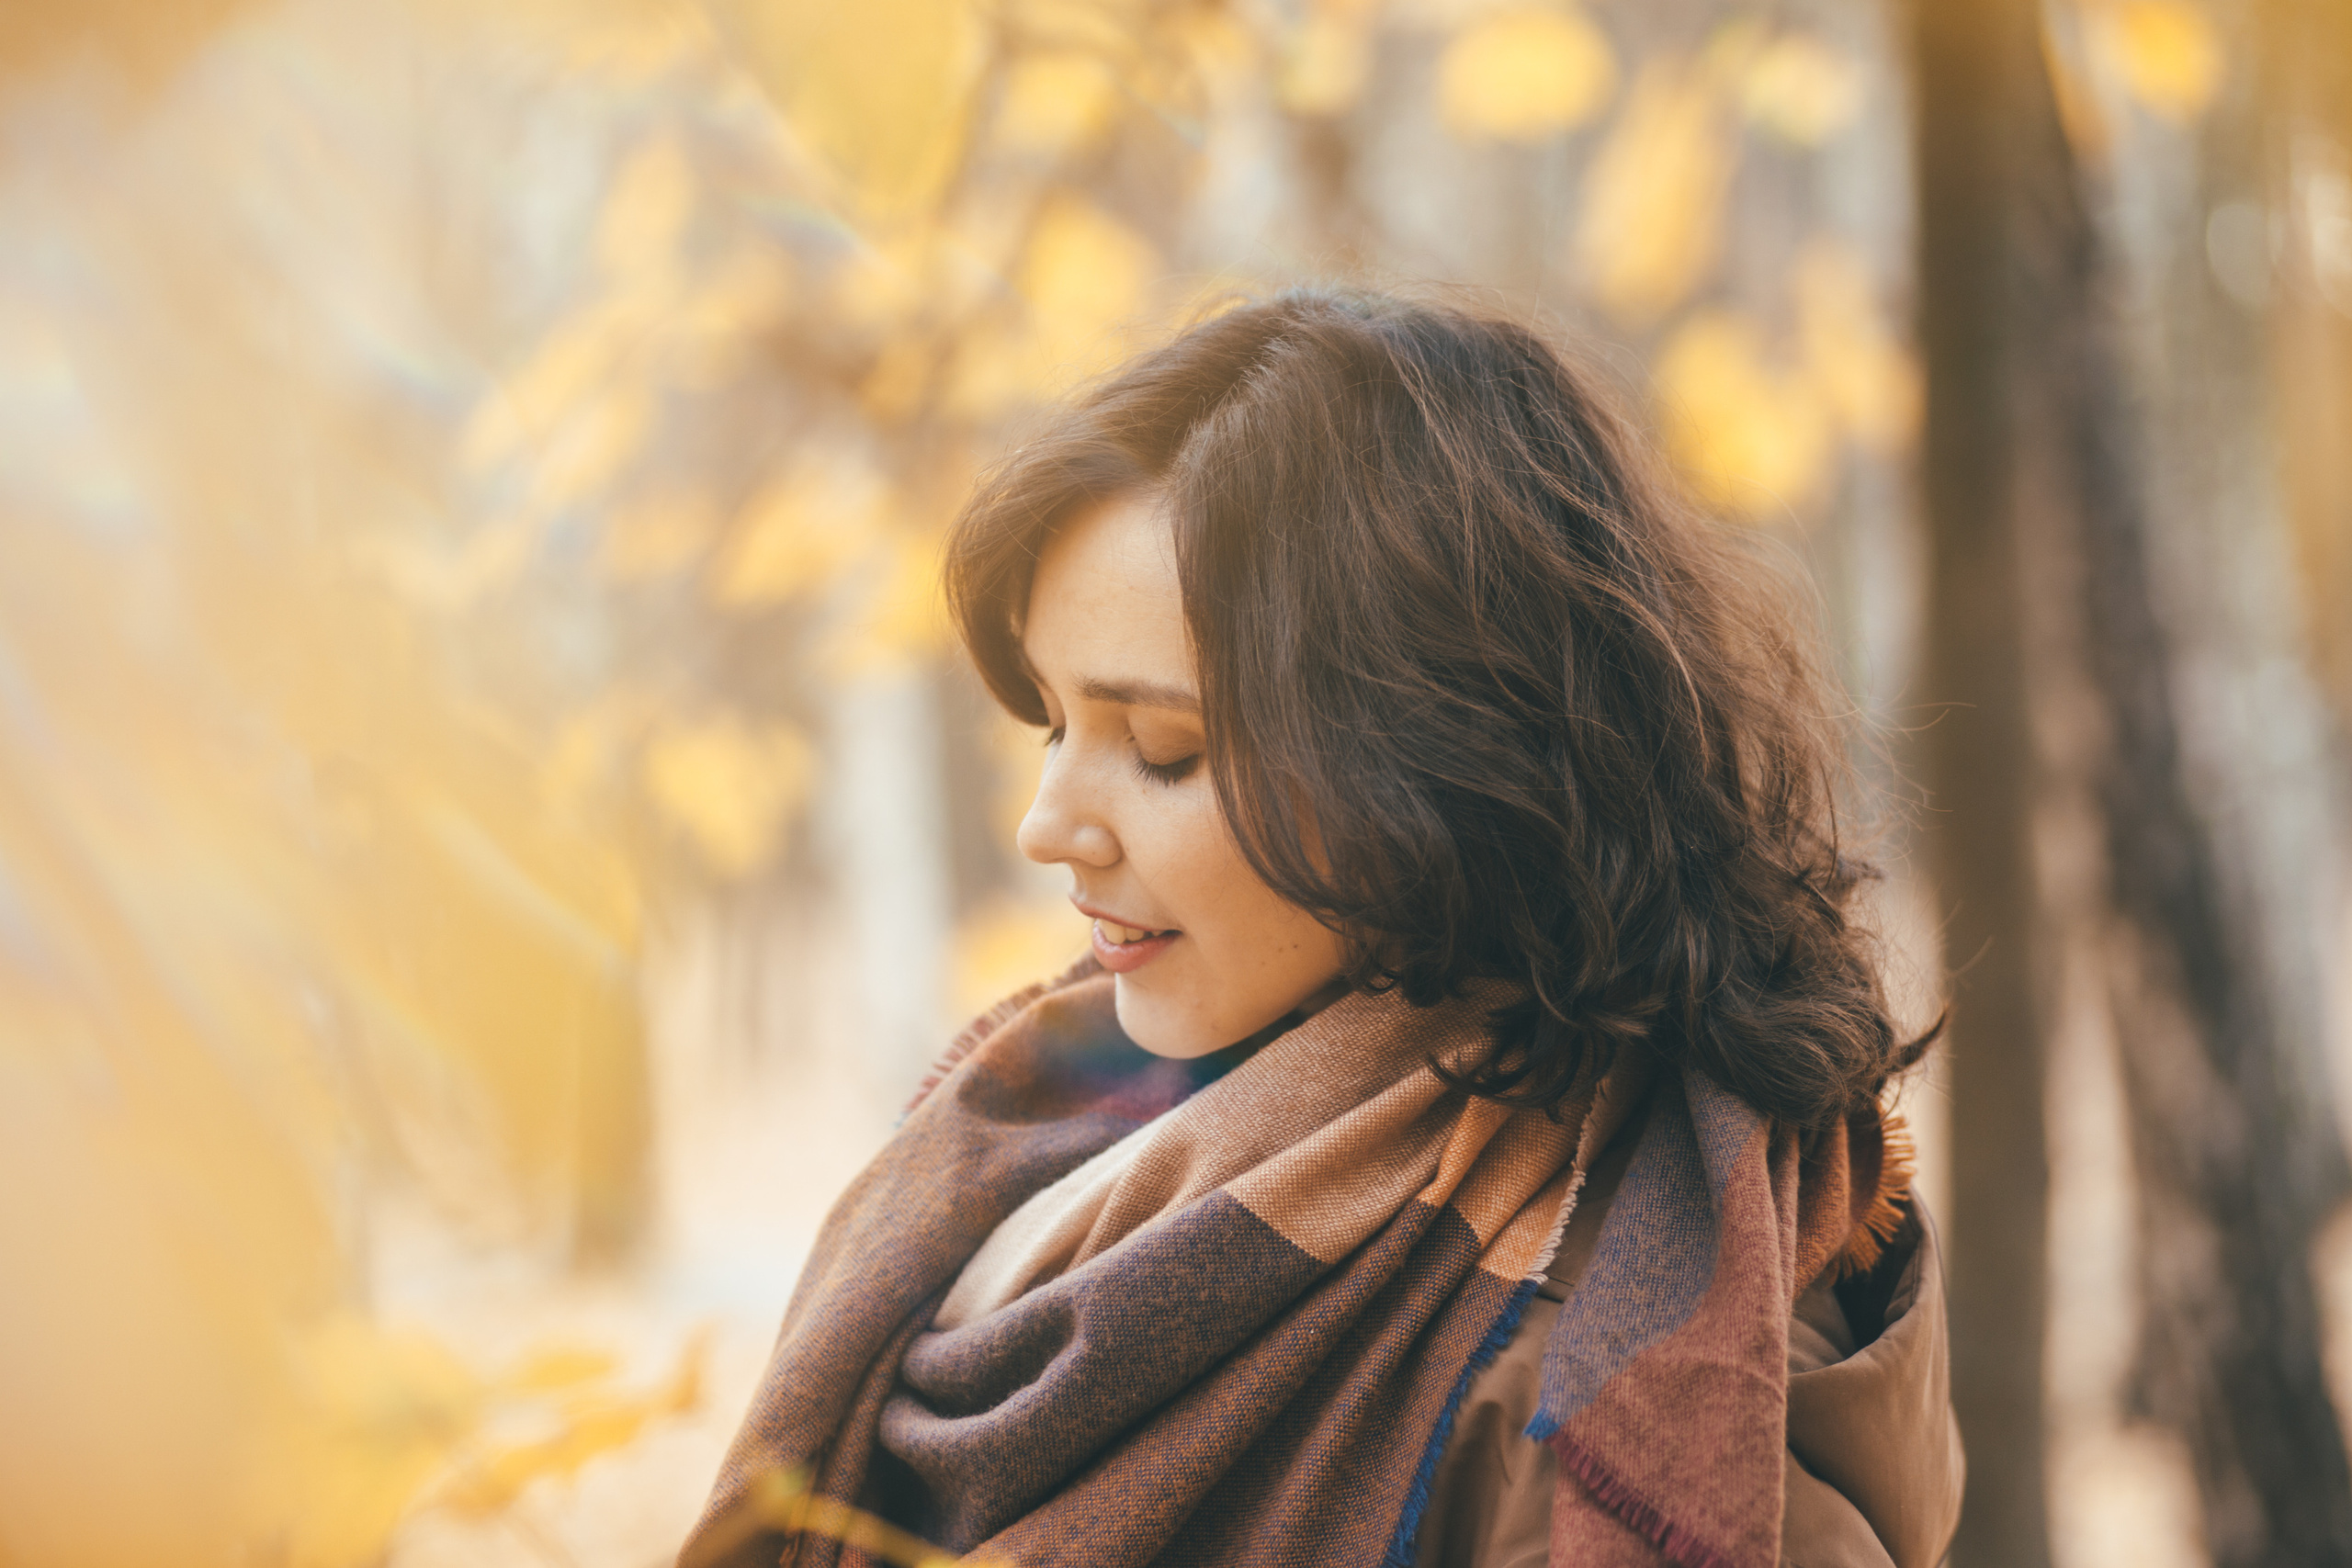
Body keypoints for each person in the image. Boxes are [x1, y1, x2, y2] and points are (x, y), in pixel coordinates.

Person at [679, 289, 1962, 1568]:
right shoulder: (1027, 1138)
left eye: (1165, 751)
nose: (1047, 824)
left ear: (1441, 761)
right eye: (1055, 726)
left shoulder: (1622, 1422)